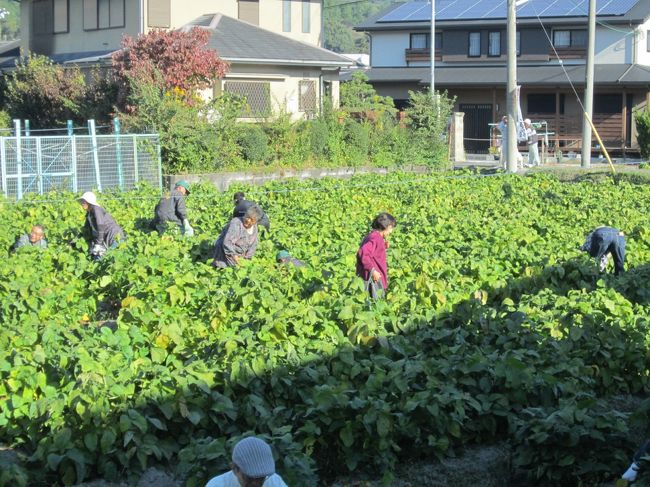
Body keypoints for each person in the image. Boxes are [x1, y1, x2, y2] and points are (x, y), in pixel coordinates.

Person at [205, 437, 287, 487]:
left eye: (261, 478)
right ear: (234, 469)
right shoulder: (217, 485)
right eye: (249, 478)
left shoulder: (274, 482)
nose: (256, 483)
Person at [356, 212, 396, 299]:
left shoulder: (375, 236)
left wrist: (383, 246)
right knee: (374, 302)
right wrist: (373, 271)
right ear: (386, 226)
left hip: (375, 276)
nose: (391, 231)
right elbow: (363, 253)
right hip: (374, 278)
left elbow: (373, 252)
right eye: (391, 228)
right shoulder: (375, 237)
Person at [79, 191, 125, 260]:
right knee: (97, 259)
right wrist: (73, 242)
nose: (82, 203)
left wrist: (98, 244)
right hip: (106, 238)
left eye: (84, 201)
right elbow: (85, 230)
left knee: (110, 260)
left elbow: (101, 226)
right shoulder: (89, 214)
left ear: (89, 202)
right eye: (82, 201)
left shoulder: (96, 210)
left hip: (115, 237)